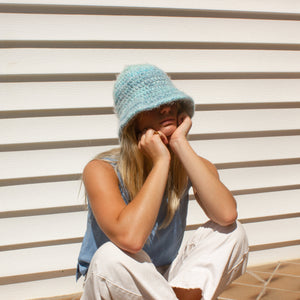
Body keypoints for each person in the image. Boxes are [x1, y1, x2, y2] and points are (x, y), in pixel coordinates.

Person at [76, 64, 249, 300]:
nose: (167, 108)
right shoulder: (101, 170)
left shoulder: (188, 164)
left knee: (232, 232)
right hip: (119, 283)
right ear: (133, 120)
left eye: (171, 101)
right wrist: (160, 164)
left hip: (165, 282)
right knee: (108, 257)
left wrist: (179, 143)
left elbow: (227, 214)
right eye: (155, 104)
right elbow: (131, 240)